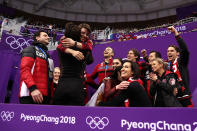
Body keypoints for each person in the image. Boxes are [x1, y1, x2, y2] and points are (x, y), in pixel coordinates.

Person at [53, 23, 93, 106]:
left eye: (87, 34)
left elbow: (59, 47)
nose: (85, 36)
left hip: (63, 85)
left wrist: (74, 45)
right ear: (78, 32)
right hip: (75, 86)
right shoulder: (84, 47)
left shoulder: (84, 45)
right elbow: (59, 47)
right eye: (82, 33)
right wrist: (73, 51)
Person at [19, 31, 53, 104]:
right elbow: (25, 70)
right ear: (37, 38)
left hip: (44, 96)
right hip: (31, 94)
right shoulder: (30, 49)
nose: (48, 37)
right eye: (45, 35)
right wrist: (33, 89)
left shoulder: (48, 54)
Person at [167, 26, 193, 107]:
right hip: (175, 99)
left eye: (172, 51)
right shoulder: (167, 65)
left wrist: (176, 34)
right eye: (168, 51)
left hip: (185, 97)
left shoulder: (181, 62)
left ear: (178, 53)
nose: (169, 53)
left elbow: (184, 50)